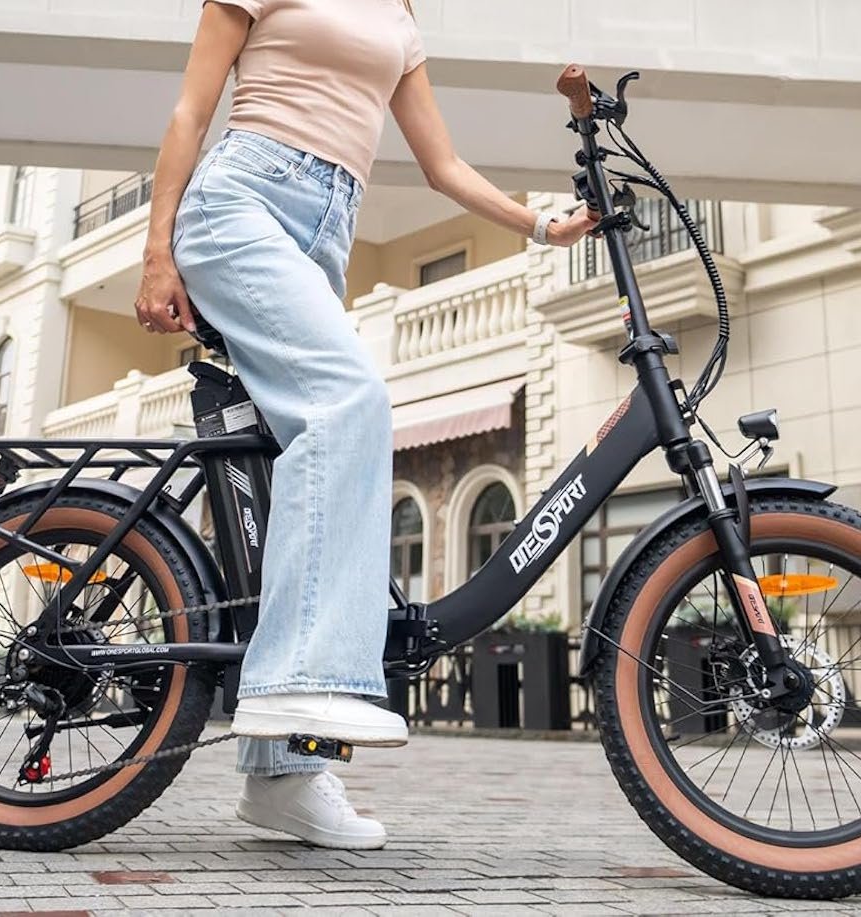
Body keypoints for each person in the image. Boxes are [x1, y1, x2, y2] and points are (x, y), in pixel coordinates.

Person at [135, 0, 594, 850]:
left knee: (300, 467)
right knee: (350, 405)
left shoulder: (401, 18)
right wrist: (158, 250)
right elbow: (191, 112)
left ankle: (283, 777)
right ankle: (305, 686)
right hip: (241, 199)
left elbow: (442, 162)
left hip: (324, 230)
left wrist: (540, 225)